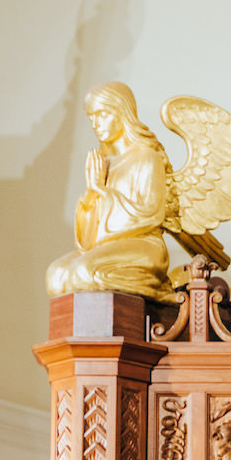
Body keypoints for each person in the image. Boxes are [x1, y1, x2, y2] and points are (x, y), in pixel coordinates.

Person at [47, 82, 173, 299]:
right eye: (91, 117)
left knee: (82, 273)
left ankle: (158, 293)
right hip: (107, 246)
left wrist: (101, 190)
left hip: (144, 246)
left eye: (103, 114)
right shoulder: (105, 162)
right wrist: (91, 195)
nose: (96, 123)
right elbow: (90, 237)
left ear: (122, 112)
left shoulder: (147, 157)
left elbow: (150, 214)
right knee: (55, 278)